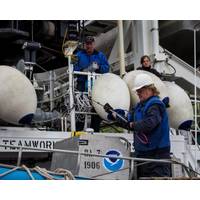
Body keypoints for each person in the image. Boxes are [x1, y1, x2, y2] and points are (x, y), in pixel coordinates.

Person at [104, 73, 171, 179]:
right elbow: (129, 121)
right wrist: (116, 115)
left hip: (157, 158)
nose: (138, 93)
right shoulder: (140, 106)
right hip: (142, 156)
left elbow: (149, 124)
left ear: (149, 89)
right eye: (137, 91)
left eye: (140, 90)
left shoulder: (155, 105)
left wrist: (132, 124)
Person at [74, 36, 110, 131]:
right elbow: (73, 67)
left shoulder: (100, 55)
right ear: (84, 45)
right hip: (81, 86)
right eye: (87, 44)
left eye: (90, 44)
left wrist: (98, 68)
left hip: (96, 85)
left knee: (96, 109)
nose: (89, 46)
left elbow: (107, 68)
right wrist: (82, 70)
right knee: (80, 108)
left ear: (94, 44)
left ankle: (96, 131)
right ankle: (78, 131)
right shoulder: (78, 55)